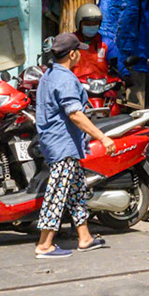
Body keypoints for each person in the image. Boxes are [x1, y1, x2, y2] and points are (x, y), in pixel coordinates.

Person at [34, 35, 117, 258]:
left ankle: (85, 237)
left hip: (58, 143)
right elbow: (75, 114)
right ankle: (44, 245)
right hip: (62, 144)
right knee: (57, 193)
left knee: (76, 189)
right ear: (72, 54)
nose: (80, 53)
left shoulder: (49, 75)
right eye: (78, 50)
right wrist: (103, 137)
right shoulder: (65, 79)